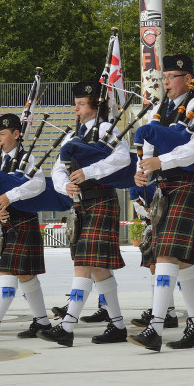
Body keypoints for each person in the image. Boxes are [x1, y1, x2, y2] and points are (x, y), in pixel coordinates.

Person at [129, 53, 194, 352]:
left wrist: (160, 161)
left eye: (172, 77)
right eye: (163, 77)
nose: (165, 82)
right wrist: (141, 171)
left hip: (188, 184)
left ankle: (155, 327)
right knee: (184, 261)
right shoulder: (161, 109)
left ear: (188, 79)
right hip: (165, 187)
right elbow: (149, 147)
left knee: (165, 254)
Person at [42, 81, 131, 345]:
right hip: (80, 203)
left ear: (94, 106)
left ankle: (67, 327)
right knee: (98, 268)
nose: (77, 109)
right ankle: (117, 326)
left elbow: (122, 157)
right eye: (76, 104)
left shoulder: (106, 129)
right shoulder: (73, 136)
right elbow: (58, 167)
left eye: (81, 104)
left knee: (84, 264)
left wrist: (88, 172)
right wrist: (64, 185)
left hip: (101, 198)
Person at [0, 113, 51, 342]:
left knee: (8, 271)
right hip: (7, 222)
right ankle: (42, 322)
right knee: (25, 275)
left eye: (2, 134)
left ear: (16, 134)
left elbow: (38, 185)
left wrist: (10, 196)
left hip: (24, 220)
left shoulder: (27, 158)